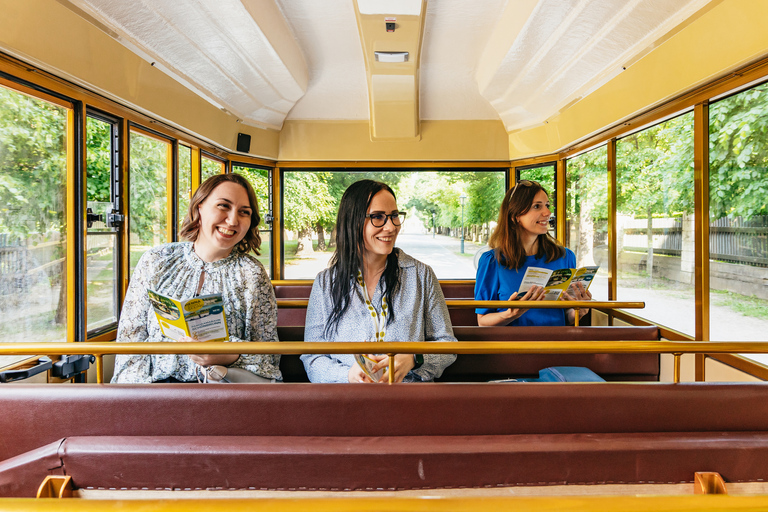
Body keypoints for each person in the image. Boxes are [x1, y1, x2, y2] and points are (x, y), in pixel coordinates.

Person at [112, 173, 281, 383]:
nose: (232, 220)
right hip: (154, 392)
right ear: (199, 207)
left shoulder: (252, 274)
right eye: (223, 206)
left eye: (244, 212)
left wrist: (231, 355)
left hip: (221, 393)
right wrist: (134, 400)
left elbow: (270, 357)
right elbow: (130, 339)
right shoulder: (156, 260)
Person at [301, 180, 456, 383]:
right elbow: (312, 356)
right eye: (378, 217)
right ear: (353, 221)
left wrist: (415, 359)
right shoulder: (325, 284)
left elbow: (448, 345)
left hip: (409, 400)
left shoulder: (422, 275)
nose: (391, 227)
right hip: (346, 400)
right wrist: (347, 376)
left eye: (394, 216)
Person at [475, 180, 591, 326]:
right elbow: (483, 322)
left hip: (556, 345)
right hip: (512, 346)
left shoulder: (565, 257)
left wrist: (578, 312)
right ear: (515, 216)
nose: (547, 212)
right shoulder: (492, 261)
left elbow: (566, 316)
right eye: (537, 206)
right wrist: (511, 314)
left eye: (547, 206)